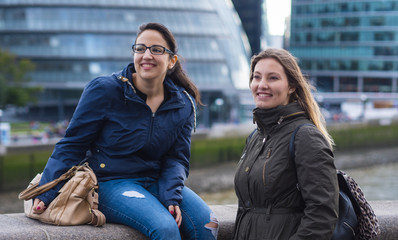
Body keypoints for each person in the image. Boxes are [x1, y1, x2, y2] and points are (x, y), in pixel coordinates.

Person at [32, 22, 218, 240]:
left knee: (208, 225)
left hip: (156, 181)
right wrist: (46, 191)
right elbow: (73, 144)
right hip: (111, 182)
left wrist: (171, 196)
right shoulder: (104, 90)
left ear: (171, 61)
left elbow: (177, 159)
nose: (146, 55)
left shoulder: (183, 103)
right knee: (166, 228)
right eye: (140, 48)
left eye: (156, 49)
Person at [233, 48, 339, 239]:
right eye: (257, 77)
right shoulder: (256, 136)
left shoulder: (305, 136)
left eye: (273, 78)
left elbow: (322, 214)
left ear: (291, 86)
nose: (262, 85)